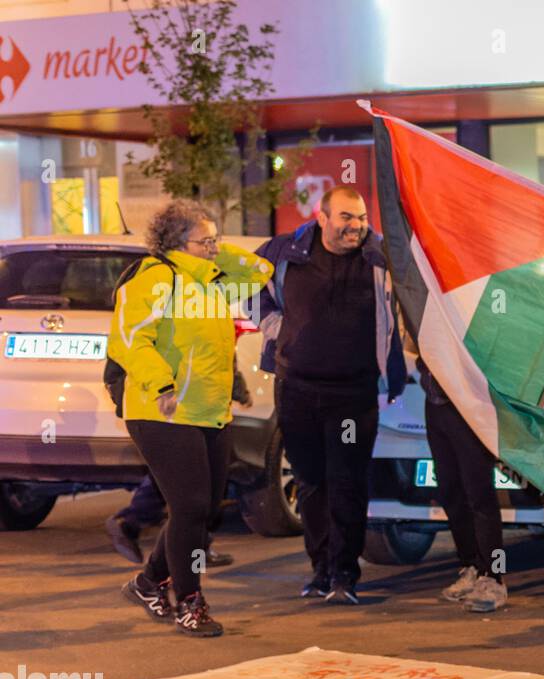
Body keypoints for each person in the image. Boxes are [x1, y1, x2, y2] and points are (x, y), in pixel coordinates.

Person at [112, 200, 272, 636]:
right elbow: (130, 340)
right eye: (207, 240)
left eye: (216, 239)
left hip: (209, 412)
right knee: (190, 507)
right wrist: (161, 384)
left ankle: (148, 582)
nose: (215, 247)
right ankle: (189, 601)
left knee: (202, 509)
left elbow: (261, 271)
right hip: (162, 410)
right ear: (179, 242)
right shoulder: (155, 280)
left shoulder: (212, 283)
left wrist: (218, 250)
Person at [255, 187, 407, 606]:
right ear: (322, 219)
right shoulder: (285, 250)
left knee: (348, 482)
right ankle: (320, 570)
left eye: (360, 218)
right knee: (311, 482)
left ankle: (345, 573)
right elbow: (248, 287)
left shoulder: (380, 256)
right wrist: (274, 327)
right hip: (298, 388)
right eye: (346, 218)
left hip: (354, 393)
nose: (355, 226)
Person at [106, 364, 252, 566]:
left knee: (195, 498)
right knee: (192, 499)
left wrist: (235, 385)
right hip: (171, 409)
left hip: (196, 407)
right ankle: (174, 566)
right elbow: (124, 353)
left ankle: (186, 558)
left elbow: (217, 352)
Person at [418, 357, 508, 613]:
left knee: (479, 493)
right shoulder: (428, 316)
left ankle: (494, 576)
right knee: (449, 490)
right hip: (436, 402)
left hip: (468, 402)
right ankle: (471, 565)